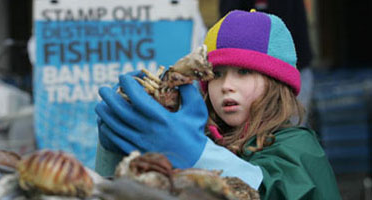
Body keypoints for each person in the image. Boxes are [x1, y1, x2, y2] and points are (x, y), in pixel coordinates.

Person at [95, 10, 341, 199]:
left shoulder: (299, 146)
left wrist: (196, 154)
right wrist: (117, 153)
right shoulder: (207, 141)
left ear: (276, 84)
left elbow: (269, 192)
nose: (226, 86)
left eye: (244, 72)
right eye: (217, 74)